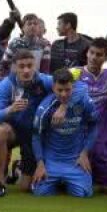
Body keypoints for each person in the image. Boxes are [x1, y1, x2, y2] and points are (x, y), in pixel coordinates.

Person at [0, 53, 52, 196]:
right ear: (14, 67)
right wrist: (10, 109)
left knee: (25, 188)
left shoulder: (45, 81)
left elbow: (72, 85)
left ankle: (18, 168)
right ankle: (0, 183)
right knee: (1, 131)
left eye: (29, 66)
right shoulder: (7, 84)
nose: (26, 70)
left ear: (35, 66)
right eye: (21, 66)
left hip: (35, 134)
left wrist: (63, 107)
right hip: (15, 131)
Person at [30, 68, 97, 198]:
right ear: (53, 88)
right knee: (40, 193)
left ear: (73, 87)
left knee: (84, 194)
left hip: (75, 160)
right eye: (59, 90)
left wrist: (85, 153)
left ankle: (67, 181)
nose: (64, 94)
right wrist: (40, 163)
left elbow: (94, 125)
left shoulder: (84, 101)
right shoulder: (45, 107)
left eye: (68, 90)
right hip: (52, 160)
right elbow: (36, 135)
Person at [72, 38, 107, 191]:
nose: (93, 57)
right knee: (79, 173)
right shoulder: (76, 73)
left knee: (104, 185)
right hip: (78, 128)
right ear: (87, 53)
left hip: (102, 129)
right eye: (91, 53)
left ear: (106, 58)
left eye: (99, 54)